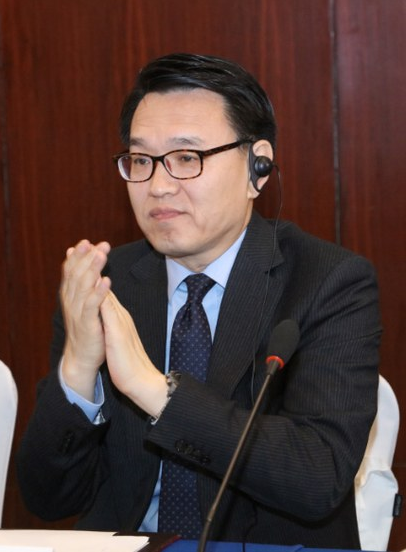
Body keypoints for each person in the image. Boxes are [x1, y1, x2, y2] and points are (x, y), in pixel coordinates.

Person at [17, 53, 381, 548]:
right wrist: (78, 371)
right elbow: (48, 499)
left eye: (187, 158)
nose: (158, 186)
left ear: (258, 168)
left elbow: (318, 476)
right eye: (141, 160)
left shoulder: (328, 281)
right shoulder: (106, 285)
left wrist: (153, 390)